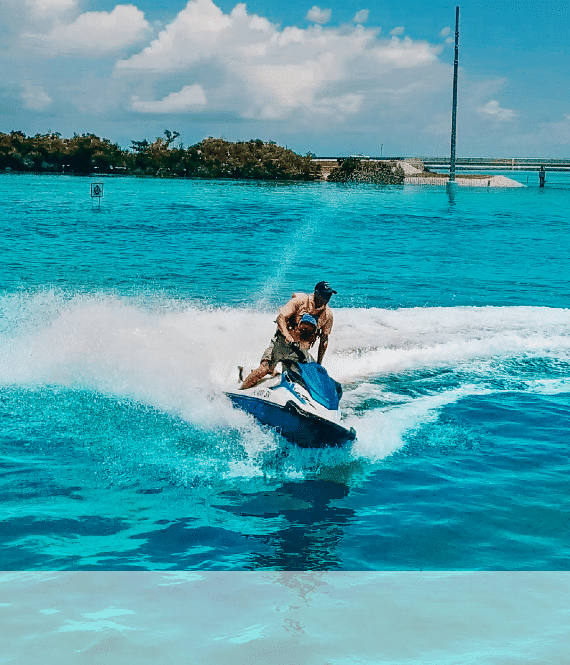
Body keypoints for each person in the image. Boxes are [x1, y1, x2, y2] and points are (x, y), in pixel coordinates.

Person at [240, 281, 337, 390]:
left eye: (329, 295)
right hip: (281, 343)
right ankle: (240, 390)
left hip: (300, 350)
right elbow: (280, 318)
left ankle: (278, 378)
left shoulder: (328, 315)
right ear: (316, 293)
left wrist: (319, 364)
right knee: (265, 368)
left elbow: (324, 341)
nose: (327, 298)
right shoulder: (300, 301)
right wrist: (287, 335)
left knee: (303, 377)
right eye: (325, 295)